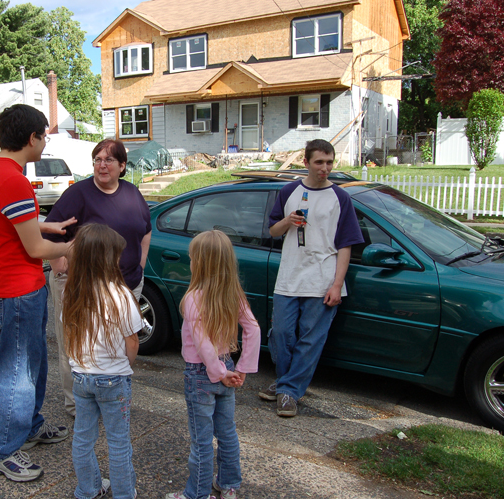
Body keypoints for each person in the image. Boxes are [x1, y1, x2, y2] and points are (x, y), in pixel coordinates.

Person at [0, 104, 77, 482]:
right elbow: (34, 250)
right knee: (16, 374)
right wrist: (72, 247)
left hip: (12, 287)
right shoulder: (14, 179)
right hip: (15, 292)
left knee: (34, 364)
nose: (45, 141)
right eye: (44, 135)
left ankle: (30, 427)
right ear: (32, 138)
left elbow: (13, 223)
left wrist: (49, 226)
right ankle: (0, 452)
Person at [44, 138, 151, 417]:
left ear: (122, 166)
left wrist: (139, 262)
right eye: (97, 160)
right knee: (76, 345)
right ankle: (77, 405)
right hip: (83, 288)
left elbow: (146, 229)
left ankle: (110, 397)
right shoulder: (77, 194)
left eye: (108, 160)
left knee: (117, 344)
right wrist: (60, 266)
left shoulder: (132, 193)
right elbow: (48, 233)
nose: (102, 166)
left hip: (126, 284)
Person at [260, 139, 363, 417]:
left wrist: (337, 285)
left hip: (322, 281)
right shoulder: (290, 191)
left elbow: (346, 245)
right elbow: (272, 231)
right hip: (289, 278)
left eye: (329, 162)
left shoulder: (340, 198)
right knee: (280, 335)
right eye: (319, 162)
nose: (325, 168)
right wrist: (287, 221)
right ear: (305, 162)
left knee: (310, 340)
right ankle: (286, 384)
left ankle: (289, 392)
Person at [166, 230, 261, 499]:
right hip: (227, 368)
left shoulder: (194, 298)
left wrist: (218, 373)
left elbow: (202, 343)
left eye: (193, 258)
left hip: (202, 375)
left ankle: (196, 494)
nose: (191, 263)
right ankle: (229, 486)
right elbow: (253, 329)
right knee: (227, 433)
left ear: (203, 262)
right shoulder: (235, 294)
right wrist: (240, 369)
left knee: (202, 440)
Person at [62, 223, 142, 499]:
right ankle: (123, 494)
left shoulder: (71, 292)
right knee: (119, 442)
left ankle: (88, 490)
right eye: (117, 256)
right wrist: (126, 365)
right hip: (113, 379)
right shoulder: (120, 295)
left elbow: (68, 332)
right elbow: (133, 341)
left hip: (81, 378)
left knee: (83, 438)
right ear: (107, 260)